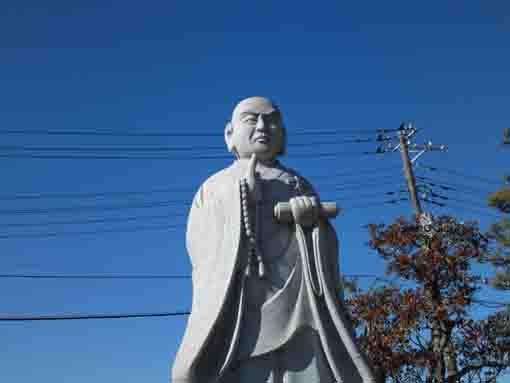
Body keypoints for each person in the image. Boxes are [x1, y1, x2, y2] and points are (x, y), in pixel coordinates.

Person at [172, 97, 375, 383]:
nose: (262, 126)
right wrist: (238, 202)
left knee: (306, 365)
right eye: (251, 119)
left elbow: (326, 244)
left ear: (283, 134)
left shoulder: (297, 183)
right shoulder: (214, 187)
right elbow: (200, 244)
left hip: (300, 305)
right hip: (241, 310)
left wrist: (312, 224)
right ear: (230, 134)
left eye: (271, 119)